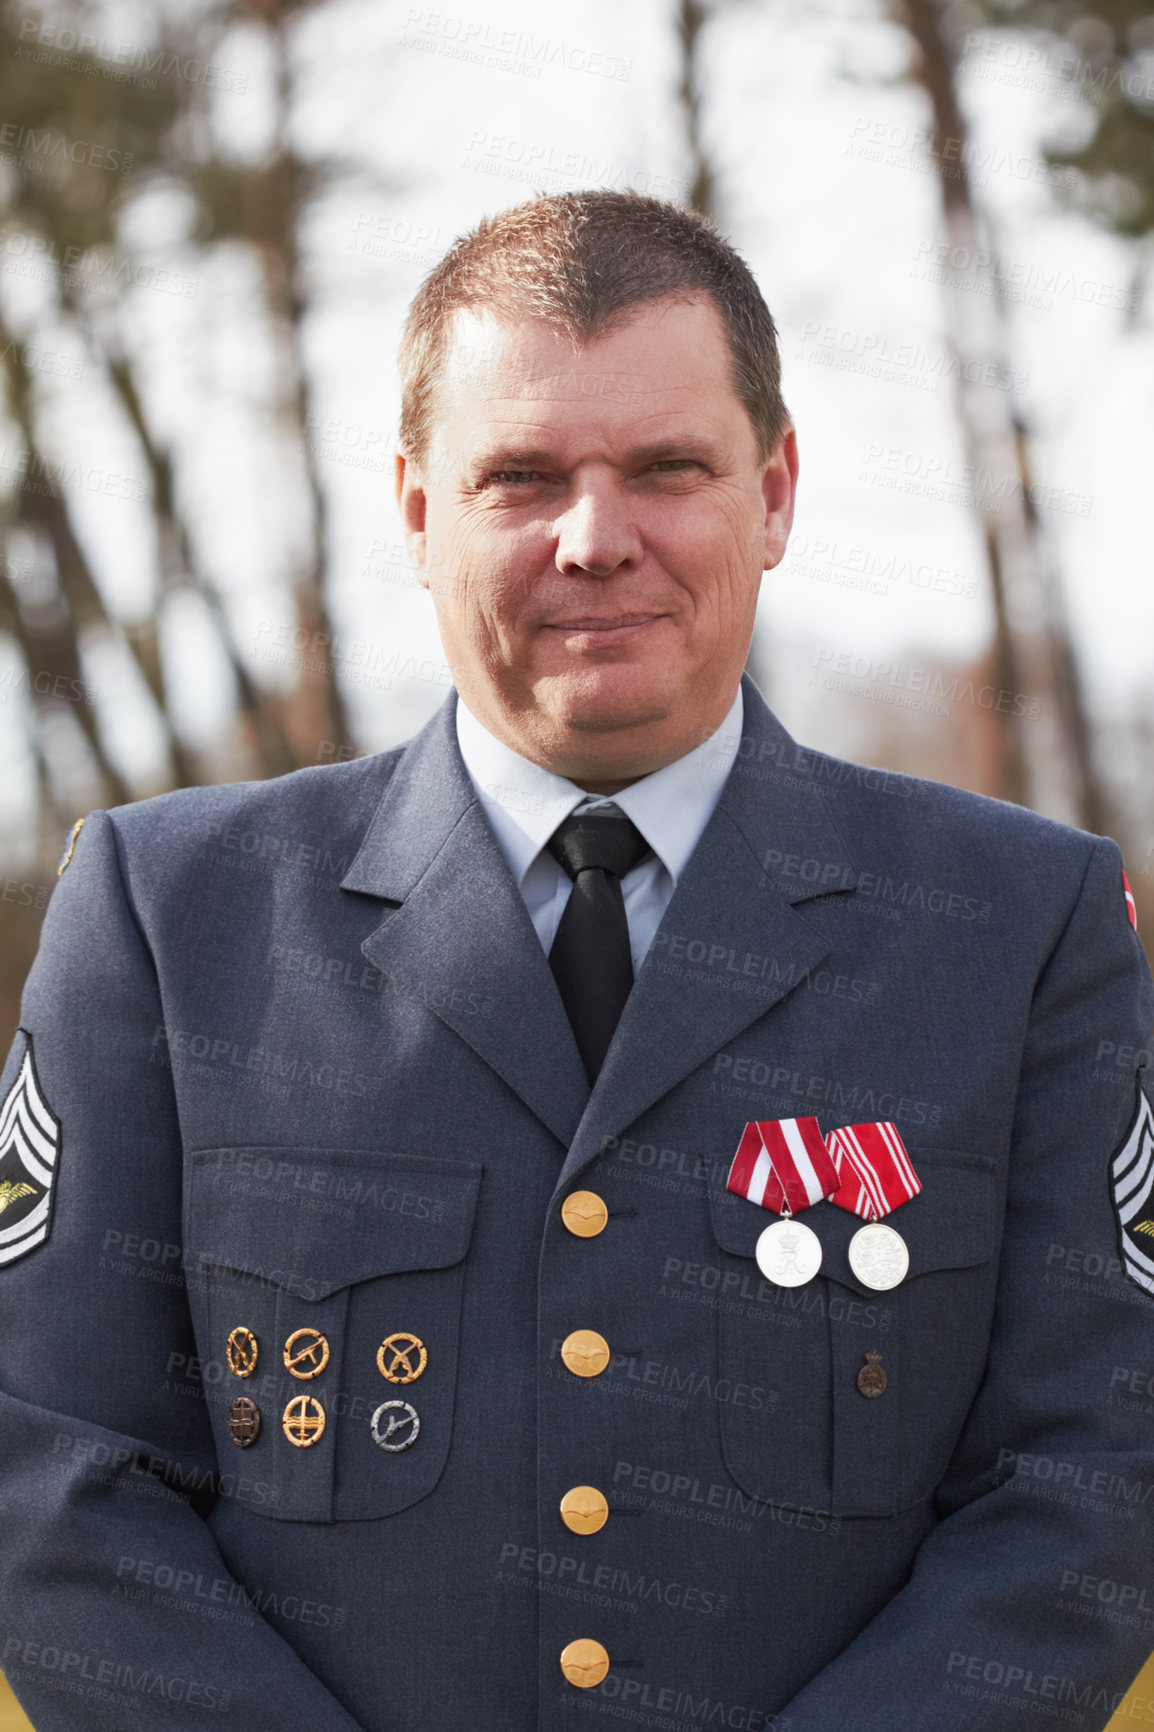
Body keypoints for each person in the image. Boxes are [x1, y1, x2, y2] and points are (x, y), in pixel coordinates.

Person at [0, 188, 1152, 1732]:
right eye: (520, 476)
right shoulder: (169, 917)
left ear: (775, 491)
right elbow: (51, 1469)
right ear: (416, 510)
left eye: (667, 469)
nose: (595, 539)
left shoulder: (1019, 930)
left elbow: (1090, 1472)